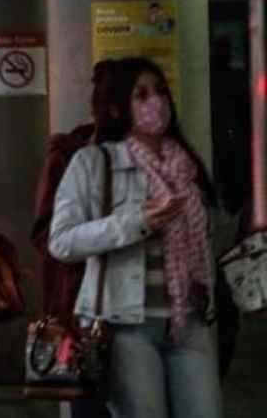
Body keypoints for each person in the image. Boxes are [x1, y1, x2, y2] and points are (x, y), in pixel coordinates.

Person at [49, 57, 222, 418]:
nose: (156, 102)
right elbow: (61, 241)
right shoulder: (93, 162)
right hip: (127, 326)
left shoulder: (186, 164)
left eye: (160, 91)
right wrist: (133, 221)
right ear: (116, 108)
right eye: (141, 95)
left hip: (189, 320)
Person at [31, 61, 115, 418]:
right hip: (83, 301)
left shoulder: (160, 156)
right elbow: (47, 236)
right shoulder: (70, 154)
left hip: (140, 311)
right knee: (84, 400)